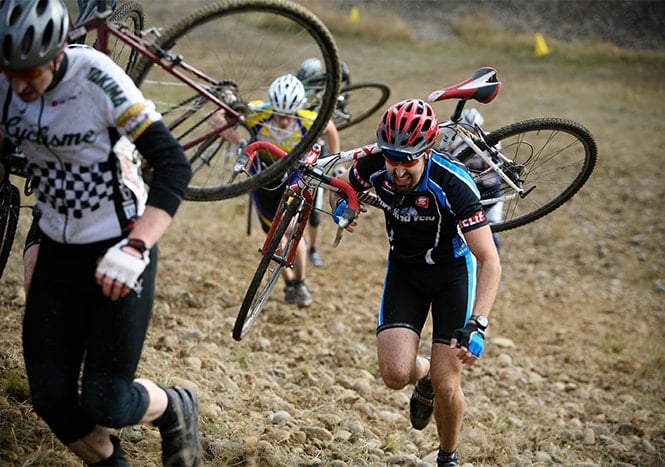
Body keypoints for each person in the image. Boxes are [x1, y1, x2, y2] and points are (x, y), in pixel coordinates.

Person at [0, 1, 200, 466]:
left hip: (118, 245)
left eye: (31, 72)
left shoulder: (95, 77)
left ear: (57, 55)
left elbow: (173, 165)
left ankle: (175, 405)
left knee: (105, 400)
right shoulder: (7, 85)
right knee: (50, 399)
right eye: (11, 72)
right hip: (56, 250)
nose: (21, 85)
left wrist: (136, 246)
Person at [331, 99, 501, 466]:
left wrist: (480, 322)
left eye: (407, 159)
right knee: (394, 375)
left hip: (451, 275)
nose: (396, 167)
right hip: (405, 273)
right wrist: (343, 208)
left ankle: (447, 457)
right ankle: (422, 373)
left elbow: (489, 260)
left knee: (446, 384)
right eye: (391, 156)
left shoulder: (453, 183)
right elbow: (345, 191)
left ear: (427, 150)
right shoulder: (374, 166)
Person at [211, 73, 340, 305]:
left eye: (289, 116)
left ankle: (300, 283)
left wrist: (336, 163)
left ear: (297, 109)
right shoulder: (259, 112)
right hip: (265, 180)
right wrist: (237, 140)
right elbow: (217, 117)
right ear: (272, 107)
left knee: (290, 233)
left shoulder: (308, 119)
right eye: (279, 115)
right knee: (273, 238)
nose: (283, 121)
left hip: (295, 178)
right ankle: (289, 283)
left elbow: (329, 128)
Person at [295, 58, 351, 267]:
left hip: (319, 157)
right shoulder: (299, 97)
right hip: (300, 156)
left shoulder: (325, 97)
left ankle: (312, 249)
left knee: (314, 213)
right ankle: (302, 243)